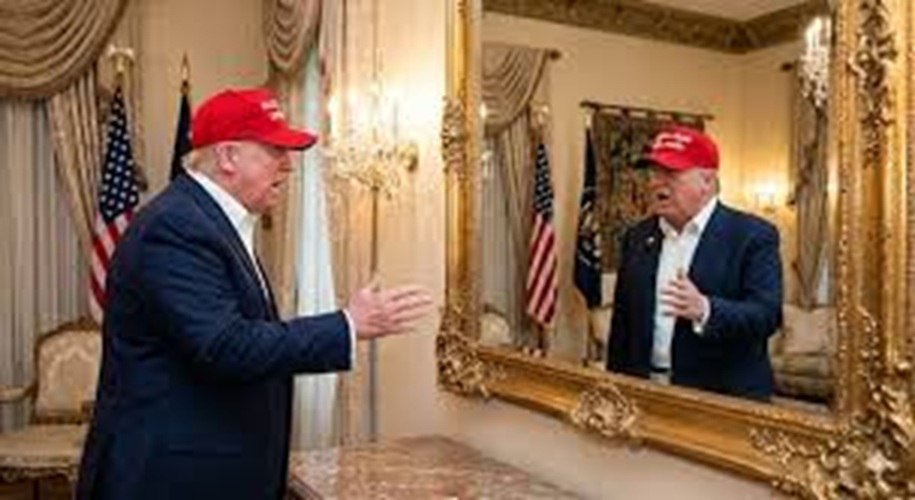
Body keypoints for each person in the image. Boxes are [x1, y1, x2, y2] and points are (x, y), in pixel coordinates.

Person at [76, 87, 433, 500]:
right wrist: (346, 325)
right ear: (228, 156)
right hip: (169, 479)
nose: (289, 166)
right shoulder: (175, 227)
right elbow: (226, 345)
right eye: (275, 150)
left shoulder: (211, 221)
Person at [605, 126, 782, 402]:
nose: (656, 183)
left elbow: (766, 315)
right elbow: (622, 326)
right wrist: (614, 389)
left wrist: (705, 310)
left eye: (670, 173)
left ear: (707, 181)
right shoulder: (637, 237)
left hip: (722, 401)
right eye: (653, 173)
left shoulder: (752, 236)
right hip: (645, 395)